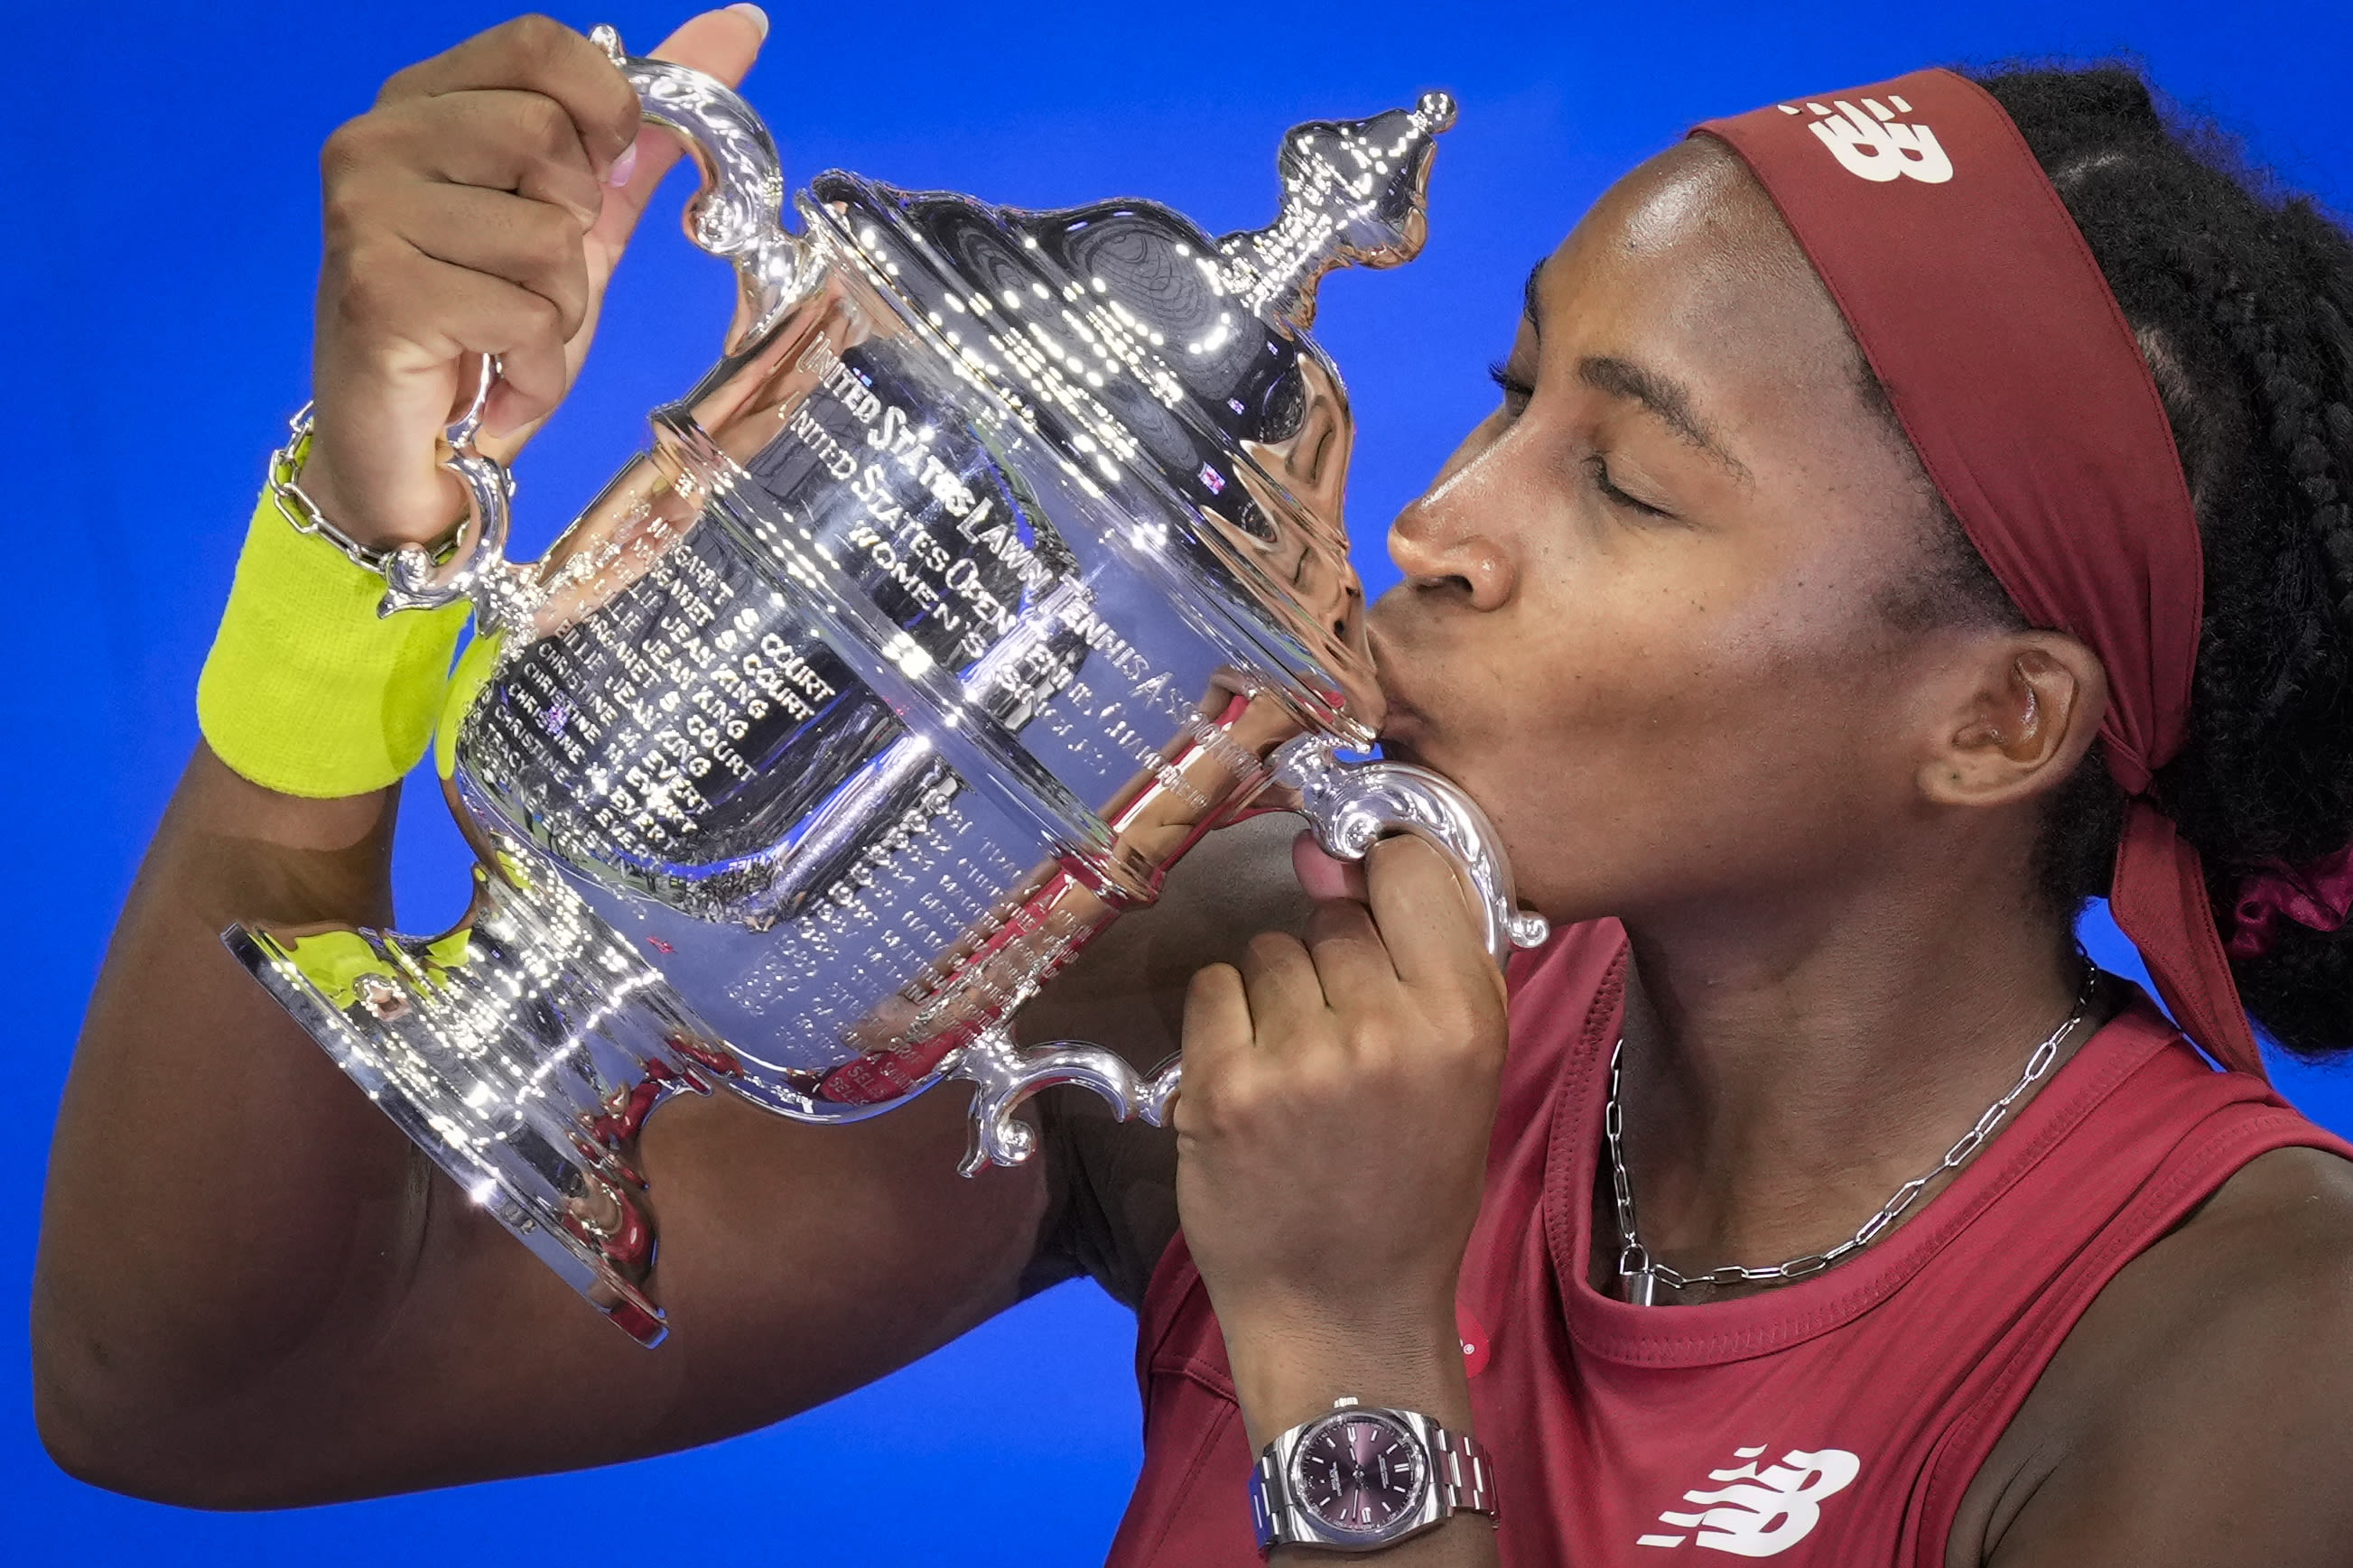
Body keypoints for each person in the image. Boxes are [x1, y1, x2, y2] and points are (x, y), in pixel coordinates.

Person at [32, 7, 2353, 1563]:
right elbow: (199, 1385)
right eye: (1515, 392)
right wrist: (367, 559)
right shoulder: (1236, 969)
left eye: (1627, 485)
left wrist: (1346, 1355)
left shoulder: (2256, 1346)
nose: (1440, 517)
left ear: (1993, 720)